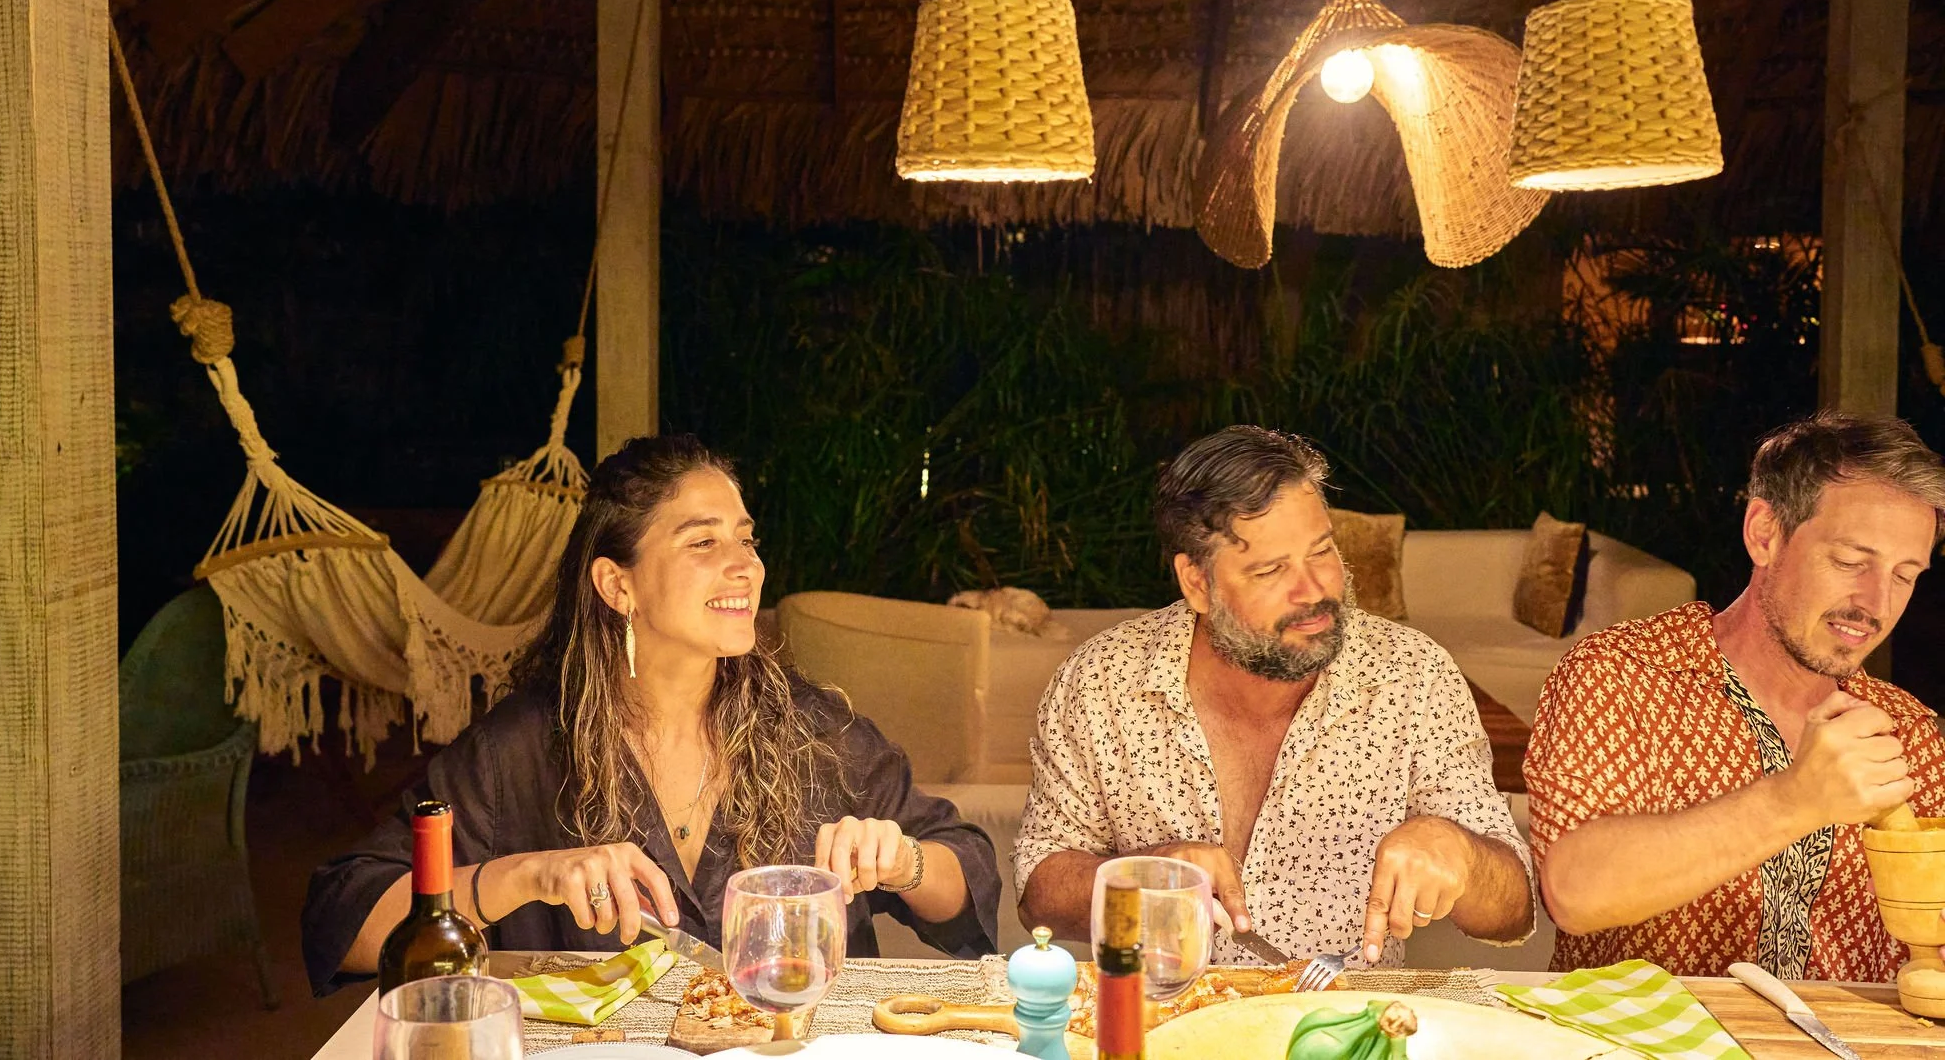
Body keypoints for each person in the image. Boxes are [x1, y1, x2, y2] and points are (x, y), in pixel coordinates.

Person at [302, 434, 999, 994]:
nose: (746, 565)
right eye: (704, 542)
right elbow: (347, 917)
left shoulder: (813, 731)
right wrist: (525, 876)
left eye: (747, 539)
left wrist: (905, 861)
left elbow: (965, 872)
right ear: (616, 583)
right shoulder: (517, 753)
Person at [1015, 426, 1534, 966]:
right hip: (1160, 1026)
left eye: (1323, 551)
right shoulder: (1103, 680)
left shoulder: (1411, 675)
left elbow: (1514, 911)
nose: (1313, 591)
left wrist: (1462, 856)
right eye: (1270, 570)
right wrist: (1145, 877)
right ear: (1196, 582)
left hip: (1342, 1031)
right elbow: (1039, 898)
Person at [1527, 412, 1945, 981]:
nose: (1875, 602)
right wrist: (1795, 799)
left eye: (1904, 575)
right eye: (1851, 561)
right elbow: (1573, 892)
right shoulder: (1623, 676)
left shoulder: (1909, 733)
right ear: (1764, 534)